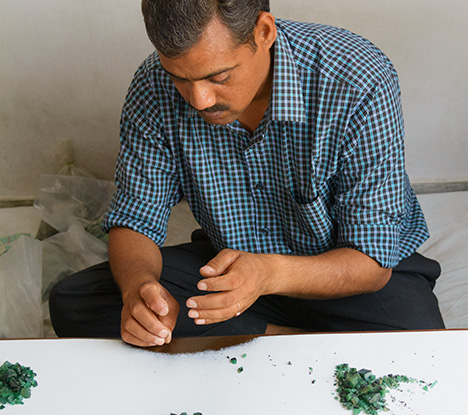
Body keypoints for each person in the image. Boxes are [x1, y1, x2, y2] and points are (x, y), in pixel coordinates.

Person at [49, 0, 444, 347]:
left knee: (422, 351)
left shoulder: (358, 77)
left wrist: (268, 273)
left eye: (218, 76)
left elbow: (370, 260)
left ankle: (251, 333)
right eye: (181, 78)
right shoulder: (152, 86)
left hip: (345, 272)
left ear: (264, 32)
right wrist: (140, 288)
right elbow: (135, 220)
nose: (200, 100)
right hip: (229, 269)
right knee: (77, 301)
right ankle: (290, 339)